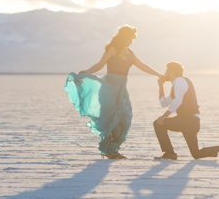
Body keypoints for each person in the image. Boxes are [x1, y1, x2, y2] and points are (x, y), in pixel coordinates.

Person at [64, 25, 164, 159]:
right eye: (129, 39)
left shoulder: (130, 53)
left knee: (125, 118)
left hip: (122, 90)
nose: (130, 42)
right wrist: (87, 72)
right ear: (123, 37)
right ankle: (109, 150)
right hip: (109, 89)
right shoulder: (112, 49)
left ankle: (114, 149)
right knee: (111, 119)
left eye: (132, 39)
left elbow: (142, 66)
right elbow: (100, 65)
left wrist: (158, 74)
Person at [153, 61, 219, 160]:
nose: (165, 73)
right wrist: (161, 86)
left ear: (171, 72)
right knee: (196, 154)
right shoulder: (177, 84)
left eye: (166, 71)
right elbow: (164, 103)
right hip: (189, 122)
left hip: (188, 121)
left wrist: (164, 116)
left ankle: (169, 153)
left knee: (158, 124)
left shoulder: (179, 81)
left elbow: (178, 101)